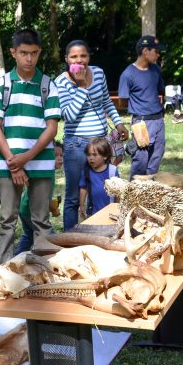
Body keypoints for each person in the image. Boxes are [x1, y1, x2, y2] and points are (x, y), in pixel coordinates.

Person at [0, 29, 61, 264]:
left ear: (39, 53)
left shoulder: (48, 85)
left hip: (40, 162)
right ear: (13, 53)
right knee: (7, 219)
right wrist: (14, 163)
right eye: (23, 53)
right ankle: (4, 270)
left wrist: (25, 158)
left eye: (34, 53)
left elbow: (52, 128)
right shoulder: (2, 85)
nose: (29, 59)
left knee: (41, 220)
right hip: (9, 164)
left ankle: (43, 269)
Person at [54, 40, 127, 229]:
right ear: (66, 59)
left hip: (101, 145)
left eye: (83, 56)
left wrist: (118, 123)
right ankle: (70, 239)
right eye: (74, 57)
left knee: (101, 191)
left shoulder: (99, 73)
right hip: (77, 145)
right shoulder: (61, 82)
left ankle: (98, 232)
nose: (79, 60)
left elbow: (105, 102)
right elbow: (68, 115)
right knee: (73, 196)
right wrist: (81, 86)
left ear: (89, 57)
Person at [118, 36, 166, 178]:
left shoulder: (156, 70)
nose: (158, 54)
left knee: (156, 158)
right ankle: (133, 194)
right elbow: (122, 101)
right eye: (156, 51)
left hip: (158, 120)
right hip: (141, 122)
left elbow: (159, 91)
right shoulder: (128, 74)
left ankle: (149, 192)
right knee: (141, 161)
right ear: (146, 51)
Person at [79, 137, 119, 220]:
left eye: (94, 155)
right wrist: (81, 205)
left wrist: (118, 207)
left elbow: (118, 191)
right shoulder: (87, 171)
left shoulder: (112, 170)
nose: (91, 158)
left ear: (105, 156)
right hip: (92, 213)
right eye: (88, 155)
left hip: (110, 213)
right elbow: (83, 188)